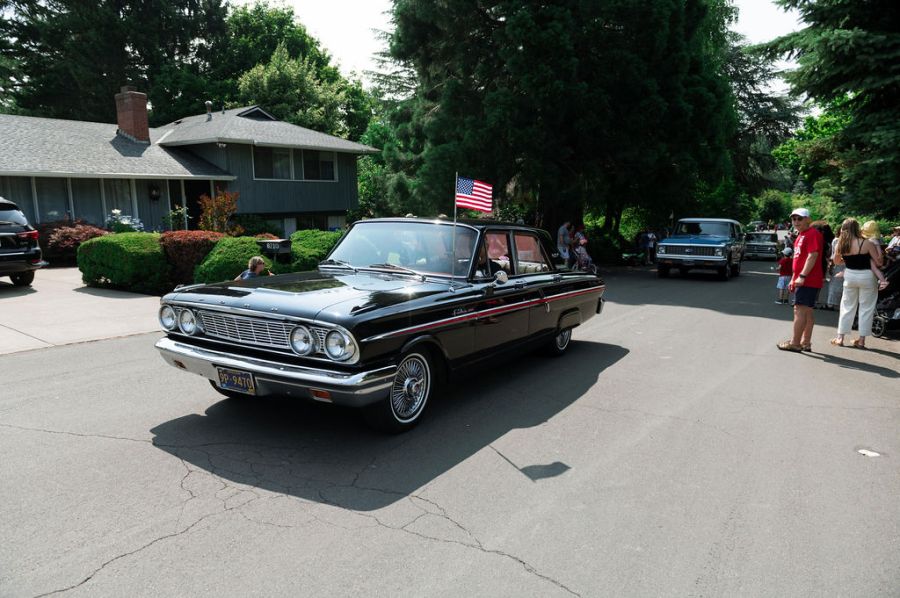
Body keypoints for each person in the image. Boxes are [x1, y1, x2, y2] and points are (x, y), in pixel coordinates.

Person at [831, 218, 884, 348]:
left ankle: (840, 337)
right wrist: (878, 249)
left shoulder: (841, 244)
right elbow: (879, 263)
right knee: (866, 308)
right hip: (867, 276)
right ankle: (861, 341)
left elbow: (836, 262)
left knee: (847, 306)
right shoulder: (867, 243)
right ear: (857, 228)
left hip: (850, 275)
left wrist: (848, 261)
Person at [777, 208, 824, 352]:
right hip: (803, 279)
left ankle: (795, 343)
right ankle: (805, 342)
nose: (796, 221)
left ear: (808, 219)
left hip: (808, 280)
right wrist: (793, 277)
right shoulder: (801, 235)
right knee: (807, 312)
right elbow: (799, 259)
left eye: (800, 218)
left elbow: (813, 255)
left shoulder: (812, 234)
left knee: (799, 310)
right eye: (794, 219)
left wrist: (802, 276)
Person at [825, 235, 844, 310]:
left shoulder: (837, 241)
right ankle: (841, 304)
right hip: (850, 266)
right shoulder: (858, 241)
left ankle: (830, 303)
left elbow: (834, 255)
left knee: (834, 284)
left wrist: (831, 265)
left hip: (838, 264)